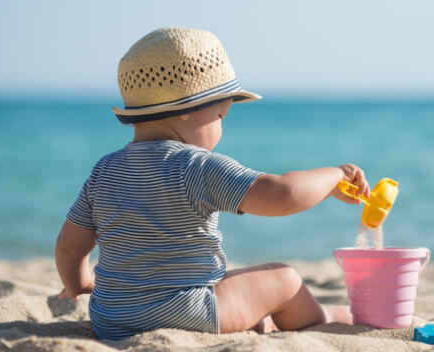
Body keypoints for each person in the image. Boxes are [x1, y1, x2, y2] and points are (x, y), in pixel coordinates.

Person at [55, 27, 370, 340]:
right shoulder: (195, 166)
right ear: (185, 111)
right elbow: (282, 194)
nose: (221, 128)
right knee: (284, 278)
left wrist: (79, 283)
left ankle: (255, 321)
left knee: (235, 287)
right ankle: (321, 317)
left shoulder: (105, 169)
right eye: (221, 115)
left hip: (111, 318)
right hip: (189, 312)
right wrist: (335, 177)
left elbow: (70, 245)